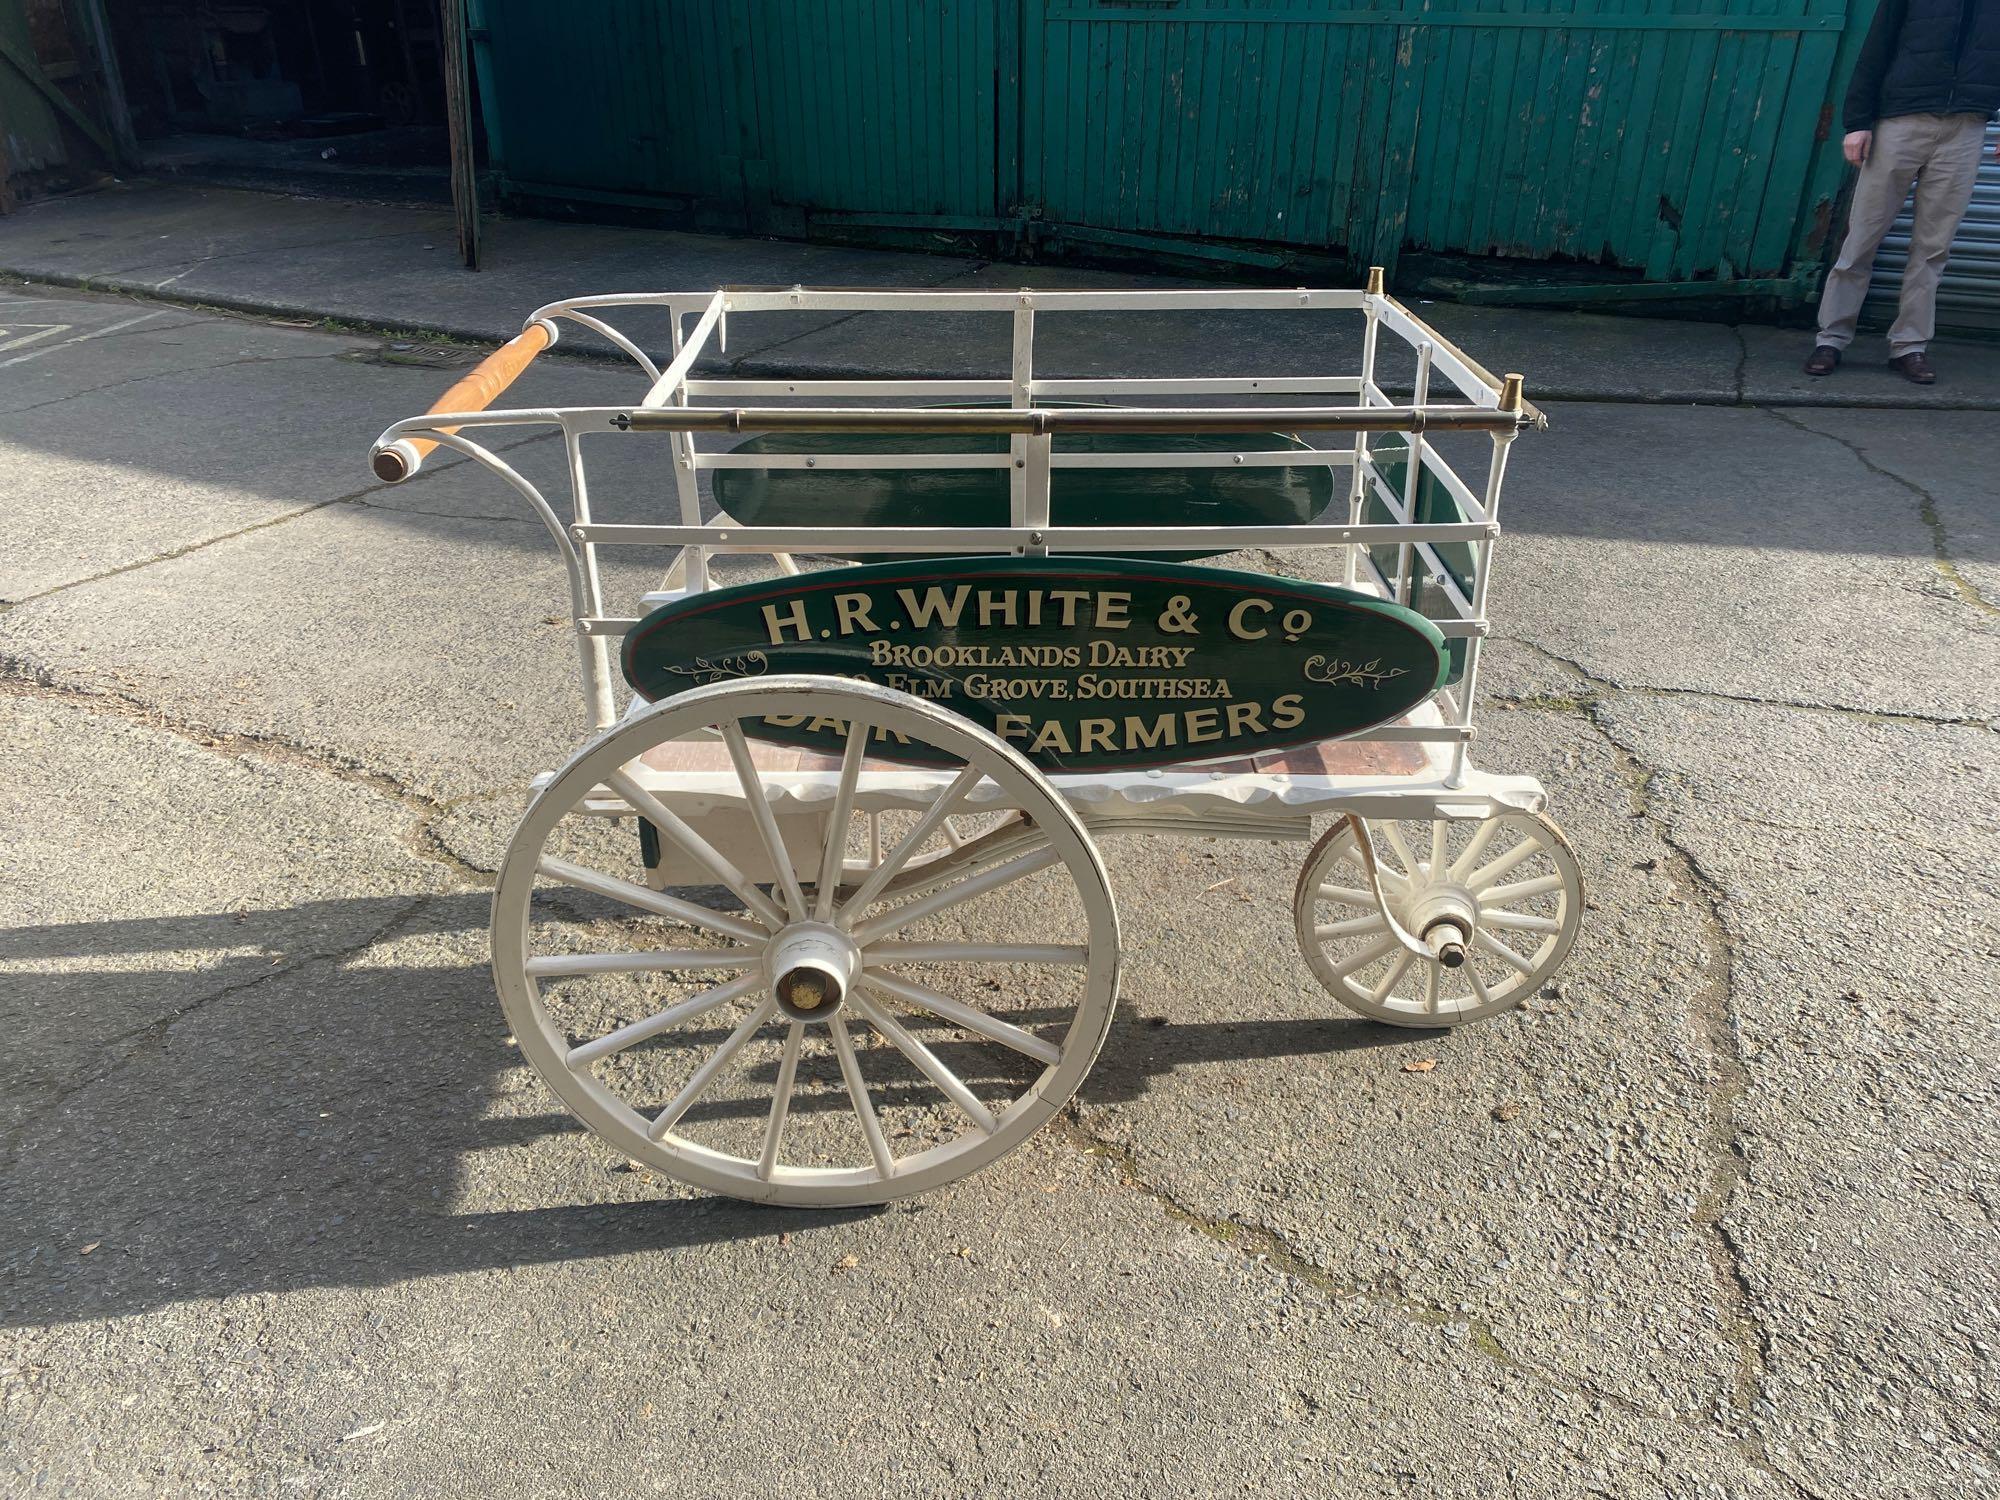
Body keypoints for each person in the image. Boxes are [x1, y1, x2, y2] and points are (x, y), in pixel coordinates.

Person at [1804, 0, 1998, 384]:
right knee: (1862, 237)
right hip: (1900, 122)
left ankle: (1909, 347)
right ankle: (1832, 339)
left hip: (1966, 128)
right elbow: (1876, 49)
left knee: (1933, 247)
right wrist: (1857, 121)